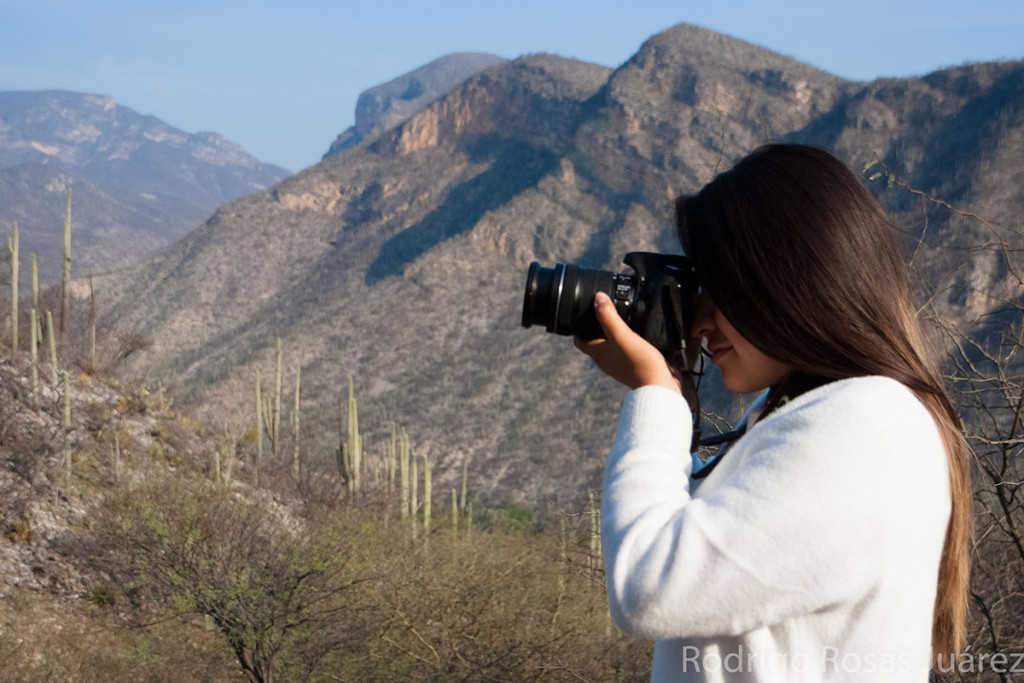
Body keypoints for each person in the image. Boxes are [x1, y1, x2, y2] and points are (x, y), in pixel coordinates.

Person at [575, 144, 972, 682]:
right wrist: (669, 387)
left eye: (722, 290)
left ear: (788, 285)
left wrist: (656, 395)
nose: (700, 322)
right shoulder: (809, 414)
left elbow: (649, 586)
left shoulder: (867, 424)